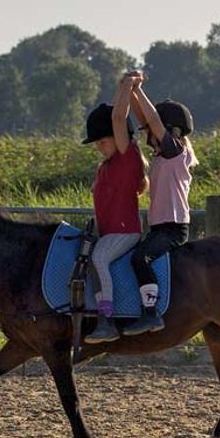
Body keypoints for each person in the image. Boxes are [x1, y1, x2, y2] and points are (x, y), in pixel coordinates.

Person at [122, 82, 198, 336]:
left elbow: (152, 118)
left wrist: (138, 89)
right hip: (160, 227)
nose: (147, 136)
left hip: (172, 229)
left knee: (139, 258)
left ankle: (151, 314)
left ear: (170, 131)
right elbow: (147, 117)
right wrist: (131, 90)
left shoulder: (174, 153)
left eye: (153, 132)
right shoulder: (163, 155)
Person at [83, 74, 147, 344]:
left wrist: (124, 87)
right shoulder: (106, 166)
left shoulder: (126, 157)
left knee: (99, 258)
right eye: (96, 143)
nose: (99, 147)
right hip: (108, 232)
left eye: (103, 141)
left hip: (125, 232)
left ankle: (106, 320)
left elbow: (119, 118)